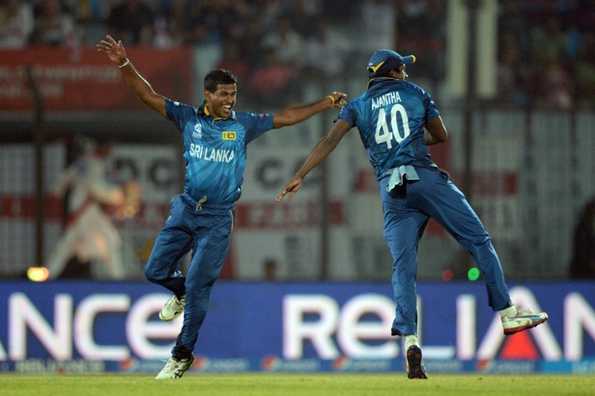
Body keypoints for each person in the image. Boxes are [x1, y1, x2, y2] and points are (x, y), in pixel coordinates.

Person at [277, 49, 549, 379]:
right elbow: (441, 135)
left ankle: (410, 339)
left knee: (403, 267)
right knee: (478, 239)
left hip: (392, 191)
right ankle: (507, 313)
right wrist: (413, 136)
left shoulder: (357, 106)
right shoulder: (415, 92)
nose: (405, 72)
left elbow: (329, 140)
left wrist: (300, 175)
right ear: (393, 73)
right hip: (424, 177)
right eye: (402, 68)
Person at [96, 34, 347, 380]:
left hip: (216, 219)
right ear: (208, 95)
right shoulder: (187, 118)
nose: (231, 100)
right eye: (225, 94)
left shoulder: (242, 125)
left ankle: (181, 355)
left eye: (234, 94)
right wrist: (125, 63)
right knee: (154, 270)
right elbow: (146, 95)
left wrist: (324, 103)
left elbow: (286, 117)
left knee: (201, 285)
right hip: (186, 209)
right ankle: (179, 292)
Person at [46, 139, 127, 280]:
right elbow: (96, 189)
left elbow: (61, 182)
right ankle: (119, 280)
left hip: (82, 211)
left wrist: (57, 192)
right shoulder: (93, 163)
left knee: (67, 245)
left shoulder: (80, 163)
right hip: (87, 212)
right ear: (97, 148)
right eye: (105, 148)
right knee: (109, 241)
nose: (108, 151)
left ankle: (48, 275)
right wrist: (119, 196)